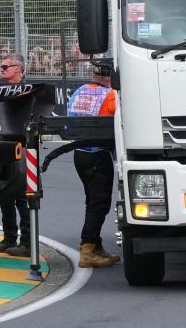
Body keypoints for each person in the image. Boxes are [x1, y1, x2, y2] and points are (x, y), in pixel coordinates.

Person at [68, 63, 120, 268]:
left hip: (79, 153)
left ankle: (96, 246)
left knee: (92, 200)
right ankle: (88, 248)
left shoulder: (80, 91)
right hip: (98, 153)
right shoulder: (110, 96)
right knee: (99, 203)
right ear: (111, 78)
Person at [0, 53, 32, 257]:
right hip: (3, 147)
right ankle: (9, 236)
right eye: (1, 66)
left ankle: (26, 241)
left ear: (18, 68)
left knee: (23, 197)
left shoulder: (29, 91)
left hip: (23, 149)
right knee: (4, 192)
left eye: (6, 66)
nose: (2, 69)